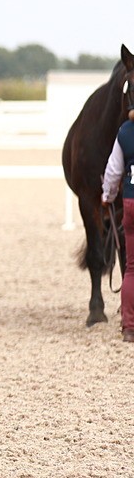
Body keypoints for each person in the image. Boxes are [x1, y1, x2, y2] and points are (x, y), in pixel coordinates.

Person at [100, 109, 134, 341]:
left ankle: (130, 327)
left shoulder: (125, 132)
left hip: (131, 202)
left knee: (131, 268)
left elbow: (113, 172)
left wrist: (107, 197)